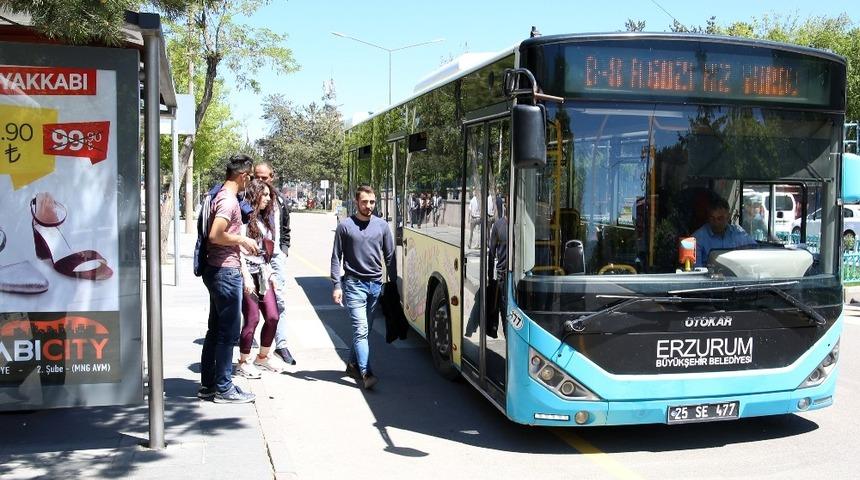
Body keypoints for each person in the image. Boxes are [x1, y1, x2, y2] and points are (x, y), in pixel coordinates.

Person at [200, 154, 258, 404]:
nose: (250, 182)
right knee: (228, 333)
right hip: (225, 271)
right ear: (243, 175)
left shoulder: (220, 195)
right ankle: (224, 389)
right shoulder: (228, 201)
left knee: (215, 330)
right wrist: (242, 239)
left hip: (217, 270)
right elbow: (216, 235)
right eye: (250, 177)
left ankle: (210, 384)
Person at [330, 185, 397, 389]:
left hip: (375, 285)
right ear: (356, 202)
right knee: (361, 330)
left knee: (364, 330)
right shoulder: (345, 226)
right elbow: (336, 257)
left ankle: (352, 365)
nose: (369, 206)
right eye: (365, 202)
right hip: (353, 284)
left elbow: (390, 256)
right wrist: (337, 285)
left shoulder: (382, 226)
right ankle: (366, 372)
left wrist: (393, 285)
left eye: (372, 202)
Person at [252, 162, 296, 366]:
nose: (261, 181)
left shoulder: (279, 200)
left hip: (276, 257)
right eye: (257, 177)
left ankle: (281, 343)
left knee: (279, 300)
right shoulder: (247, 199)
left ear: (272, 177)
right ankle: (249, 340)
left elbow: (285, 228)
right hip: (253, 258)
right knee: (251, 300)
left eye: (264, 178)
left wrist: (284, 251)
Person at [693, 197, 756, 267]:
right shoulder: (697, 238)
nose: (716, 223)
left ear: (728, 217)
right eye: (712, 218)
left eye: (720, 218)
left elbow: (755, 250)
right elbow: (696, 270)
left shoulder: (737, 233)